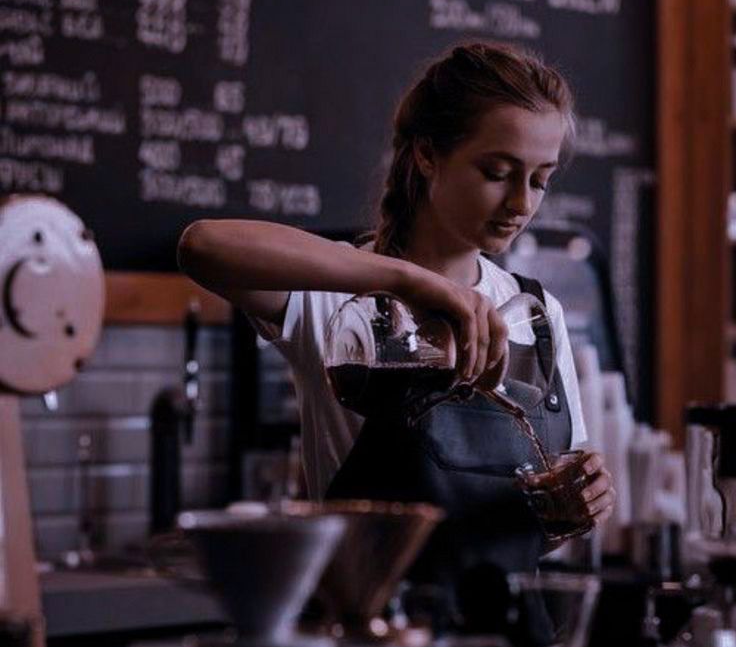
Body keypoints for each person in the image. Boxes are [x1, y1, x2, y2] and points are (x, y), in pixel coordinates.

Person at [178, 41, 615, 581]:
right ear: (427, 155)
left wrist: (581, 499)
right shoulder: (342, 299)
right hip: (368, 628)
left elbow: (539, 524)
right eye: (498, 172)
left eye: (540, 180)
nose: (521, 204)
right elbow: (202, 247)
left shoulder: (537, 312)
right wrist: (404, 279)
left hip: (501, 639)